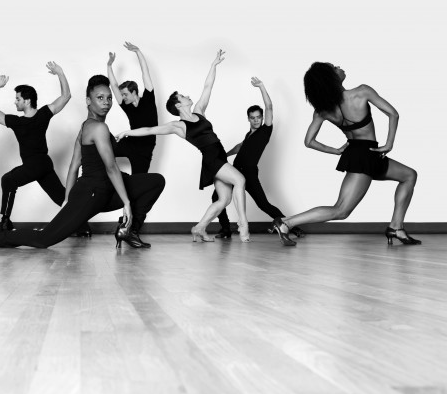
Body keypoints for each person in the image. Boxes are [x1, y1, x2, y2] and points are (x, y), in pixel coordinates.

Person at [0, 75, 166, 249]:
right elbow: (111, 168)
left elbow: (74, 166)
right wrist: (126, 204)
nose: (106, 102)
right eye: (99, 97)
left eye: (109, 98)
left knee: (155, 181)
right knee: (44, 239)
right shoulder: (97, 128)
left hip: (107, 190)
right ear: (88, 101)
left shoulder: (86, 127)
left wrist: (66, 198)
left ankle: (128, 230)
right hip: (91, 194)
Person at [271, 62, 420, 246]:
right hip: (365, 156)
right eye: (334, 67)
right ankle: (286, 223)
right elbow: (393, 114)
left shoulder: (323, 111)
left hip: (362, 155)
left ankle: (396, 227)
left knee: (409, 175)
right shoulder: (362, 91)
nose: (339, 67)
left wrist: (337, 151)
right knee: (341, 210)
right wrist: (389, 143)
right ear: (331, 78)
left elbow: (309, 142)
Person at [117, 49, 252, 243]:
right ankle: (243, 225)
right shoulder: (179, 127)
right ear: (179, 105)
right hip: (212, 160)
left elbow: (208, 87)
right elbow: (149, 129)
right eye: (182, 96)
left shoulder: (199, 110)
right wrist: (126, 132)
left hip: (219, 157)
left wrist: (213, 65)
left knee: (224, 200)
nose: (187, 96)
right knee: (240, 180)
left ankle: (199, 228)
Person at [212, 78, 303, 243]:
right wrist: (226, 154)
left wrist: (261, 87)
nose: (256, 120)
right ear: (248, 118)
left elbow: (269, 107)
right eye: (253, 117)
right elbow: (241, 146)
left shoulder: (265, 131)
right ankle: (225, 230)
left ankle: (291, 225)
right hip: (234, 171)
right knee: (217, 198)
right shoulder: (249, 135)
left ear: (262, 118)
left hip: (249, 173)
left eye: (258, 117)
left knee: (263, 204)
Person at [0, 62, 71, 231]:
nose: (15, 102)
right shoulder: (22, 120)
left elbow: (66, 96)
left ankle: (5, 222)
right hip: (43, 165)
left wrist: (61, 73)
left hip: (36, 164)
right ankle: (82, 226)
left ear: (27, 100)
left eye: (18, 99)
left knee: (8, 180)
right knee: (61, 196)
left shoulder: (39, 115)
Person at [107, 42, 158, 174]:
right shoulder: (127, 106)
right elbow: (113, 85)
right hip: (130, 144)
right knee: (102, 149)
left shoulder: (148, 100)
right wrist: (109, 66)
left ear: (134, 92)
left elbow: (145, 72)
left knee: (139, 182)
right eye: (122, 94)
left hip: (145, 150)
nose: (123, 97)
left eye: (125, 94)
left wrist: (138, 52)